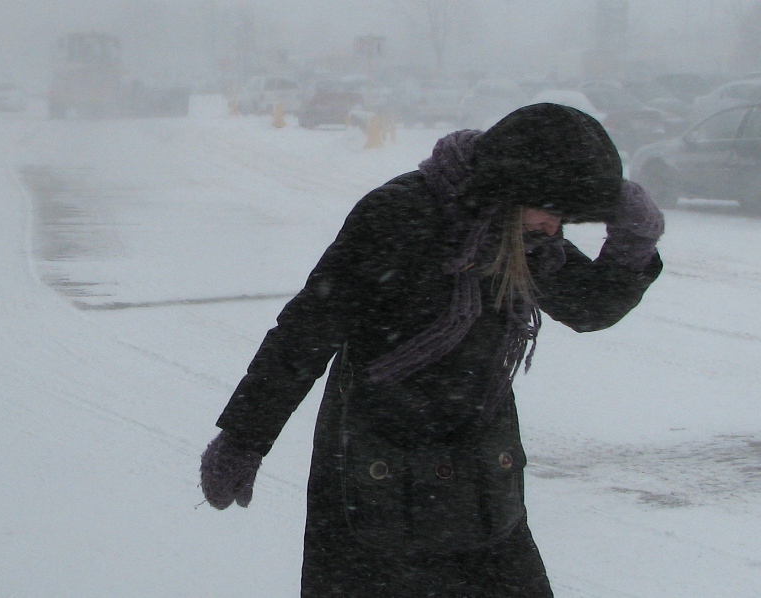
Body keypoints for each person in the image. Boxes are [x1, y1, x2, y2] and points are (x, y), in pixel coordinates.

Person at [200, 103, 664, 597]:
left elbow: (589, 308)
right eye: (550, 210)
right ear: (510, 188)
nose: (555, 228)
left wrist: (632, 244)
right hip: (377, 466)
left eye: (566, 217)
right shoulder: (400, 215)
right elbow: (307, 331)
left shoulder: (521, 240)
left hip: (481, 470)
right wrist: (244, 439)